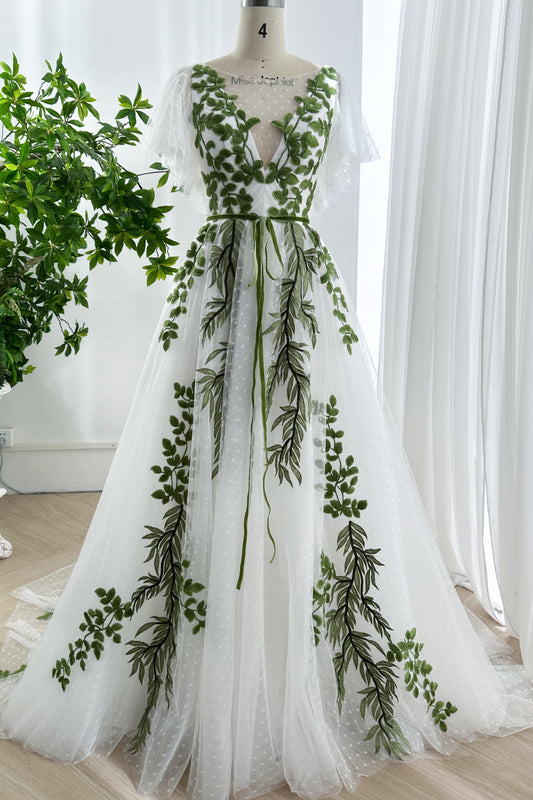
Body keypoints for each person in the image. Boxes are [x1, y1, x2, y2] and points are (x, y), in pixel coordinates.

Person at [2, 2, 533, 799]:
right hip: (216, 296)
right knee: (203, 454)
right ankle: (199, 646)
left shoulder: (328, 87)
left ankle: (302, 643)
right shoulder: (192, 85)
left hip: (302, 296)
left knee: (314, 460)